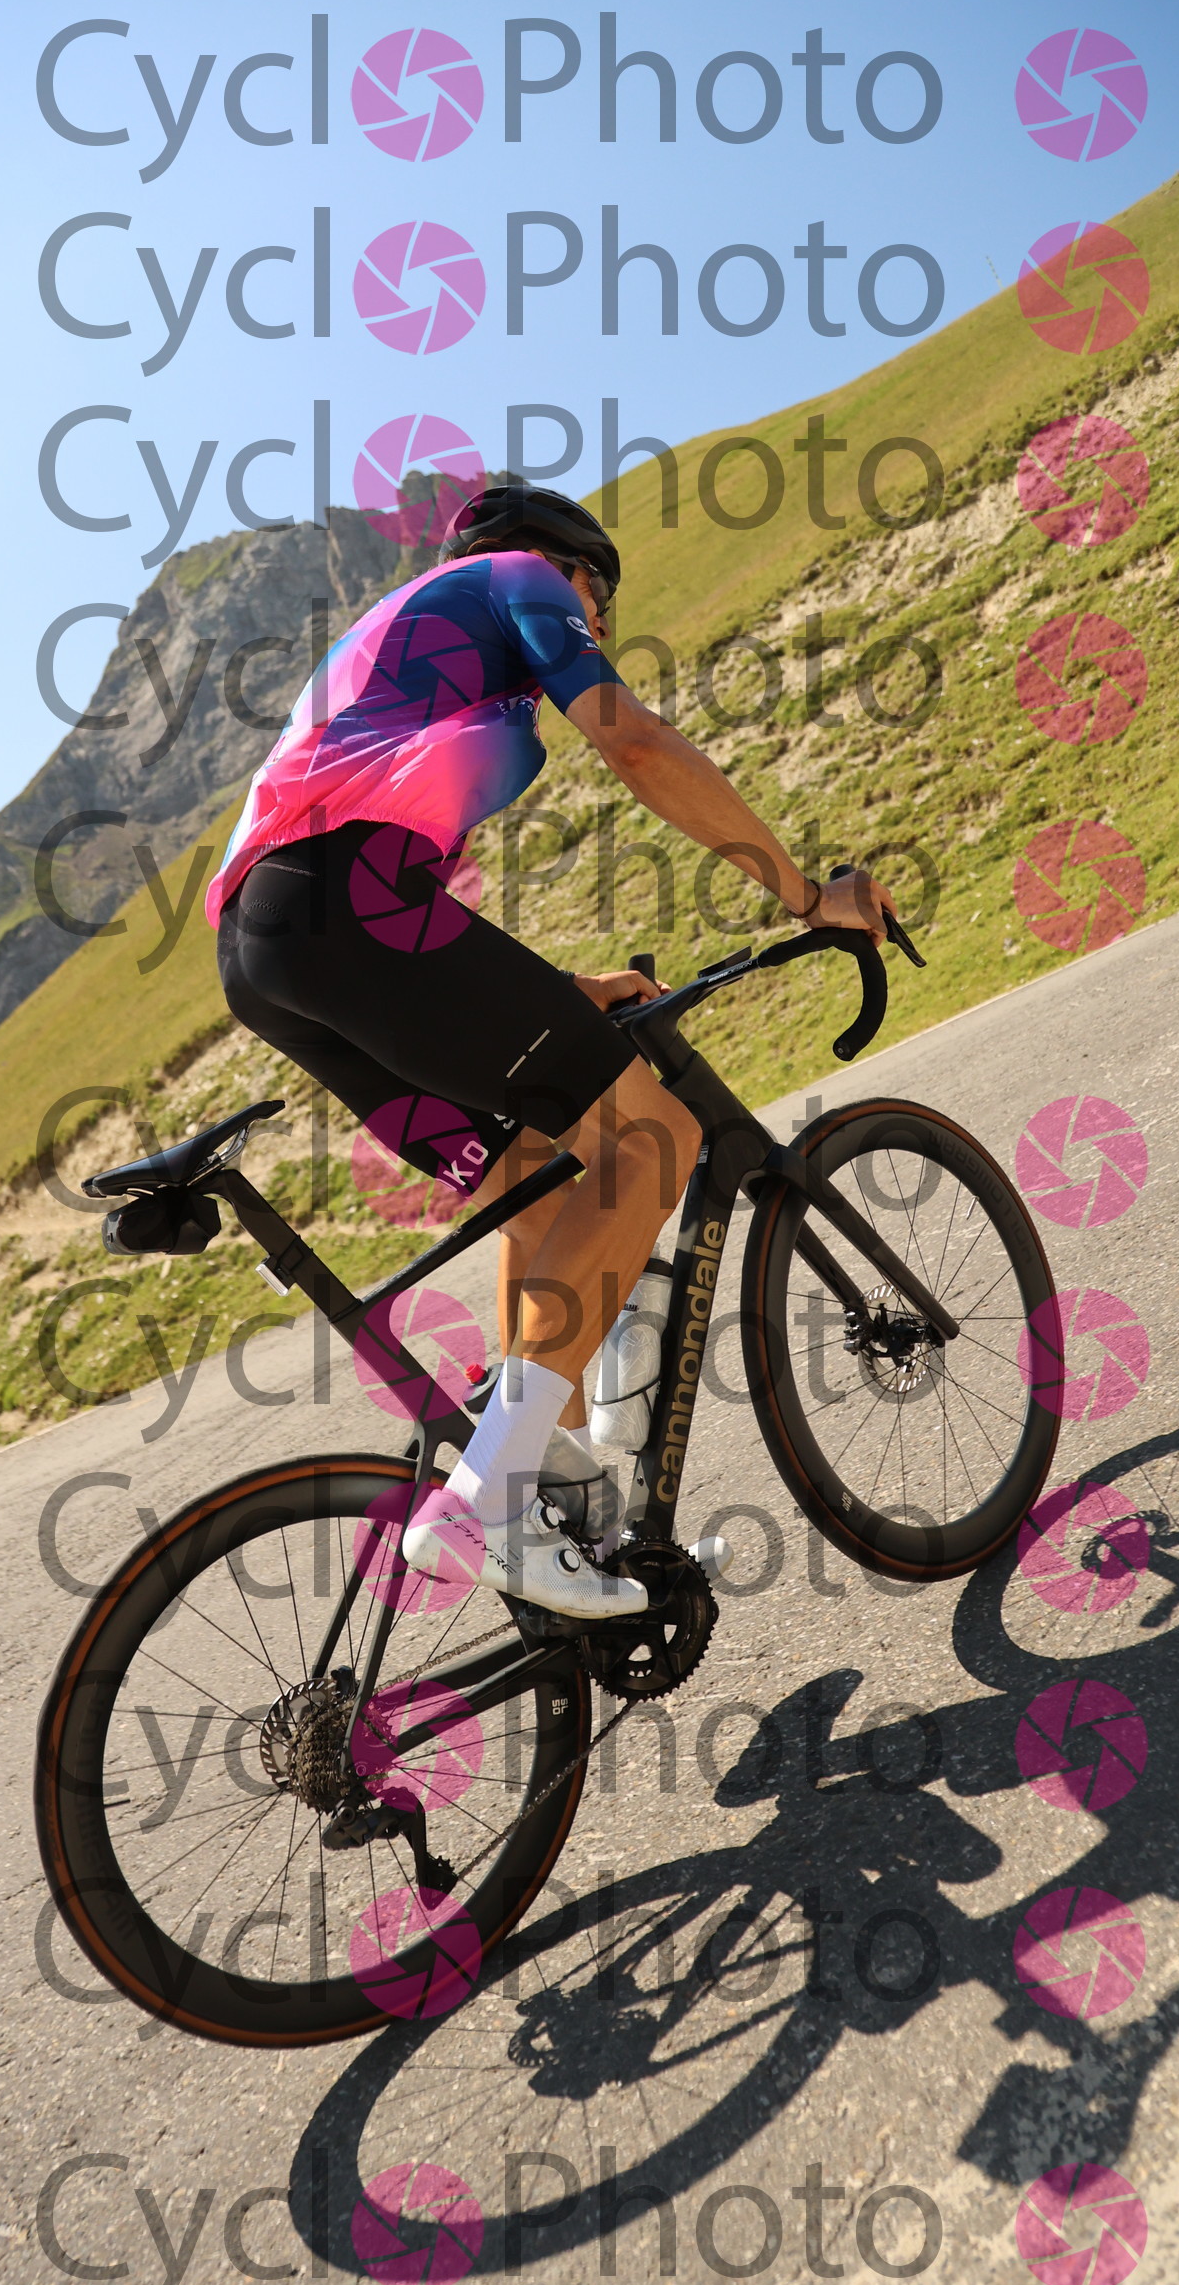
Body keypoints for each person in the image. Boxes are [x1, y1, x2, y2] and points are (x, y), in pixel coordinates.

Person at [207, 483, 895, 1619]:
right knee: (655, 1139)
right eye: (599, 595)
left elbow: (383, 903)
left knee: (535, 1179)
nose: (598, 622)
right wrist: (803, 894)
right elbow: (634, 742)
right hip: (340, 912)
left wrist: (561, 992)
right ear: (562, 563)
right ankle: (488, 1501)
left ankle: (566, 1519)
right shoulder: (515, 579)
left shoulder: (395, 659)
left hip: (264, 953)